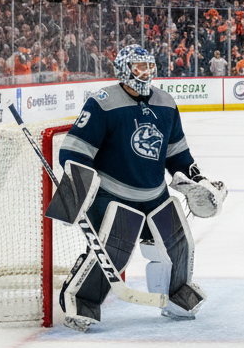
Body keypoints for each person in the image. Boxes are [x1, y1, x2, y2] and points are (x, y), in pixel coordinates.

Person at [56, 44, 226, 332]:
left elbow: (177, 153)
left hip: (155, 192)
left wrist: (195, 179)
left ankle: (175, 296)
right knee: (112, 252)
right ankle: (80, 299)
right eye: (138, 67)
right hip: (112, 194)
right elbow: (73, 149)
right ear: (123, 70)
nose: (145, 72)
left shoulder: (166, 102)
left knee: (178, 245)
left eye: (148, 66)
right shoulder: (103, 102)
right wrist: (82, 179)